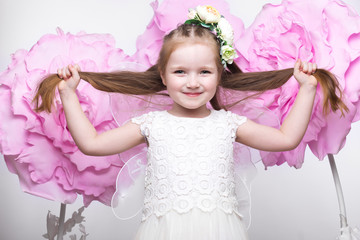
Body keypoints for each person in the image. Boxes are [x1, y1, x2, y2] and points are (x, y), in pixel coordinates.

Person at [34, 5, 347, 240]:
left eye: (205, 72)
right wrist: (68, 94)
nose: (193, 82)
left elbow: (285, 139)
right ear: (163, 76)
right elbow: (91, 144)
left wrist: (307, 89)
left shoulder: (228, 124)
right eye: (181, 72)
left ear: (220, 74)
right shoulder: (151, 124)